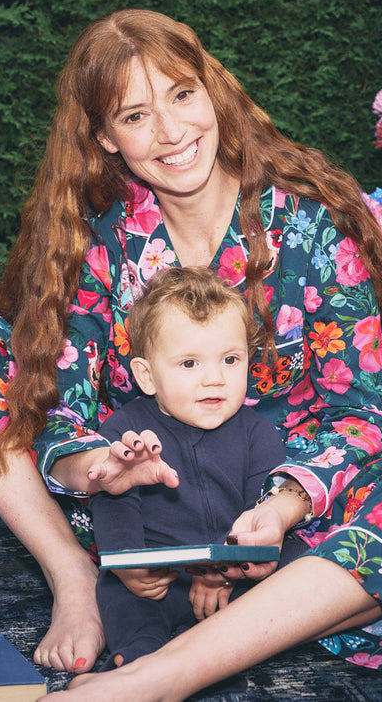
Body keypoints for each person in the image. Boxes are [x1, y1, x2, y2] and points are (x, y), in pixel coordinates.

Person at [0, 9, 382, 698]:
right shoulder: (101, 246)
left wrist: (281, 509)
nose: (172, 132)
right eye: (136, 116)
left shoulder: (311, 228)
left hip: (280, 526)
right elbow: (59, 407)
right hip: (131, 528)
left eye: (181, 95)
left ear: (211, 90)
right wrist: (102, 472)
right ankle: (76, 577)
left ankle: (161, 674)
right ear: (105, 138)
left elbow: (358, 416)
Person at [90, 266, 288, 670]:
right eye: (189, 364)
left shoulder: (257, 433)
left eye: (230, 359)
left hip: (233, 578)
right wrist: (129, 563)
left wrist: (225, 572)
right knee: (118, 594)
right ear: (147, 376)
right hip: (159, 579)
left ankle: (224, 654)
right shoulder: (127, 432)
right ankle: (142, 652)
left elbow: (261, 512)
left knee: (292, 568)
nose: (214, 379)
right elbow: (114, 504)